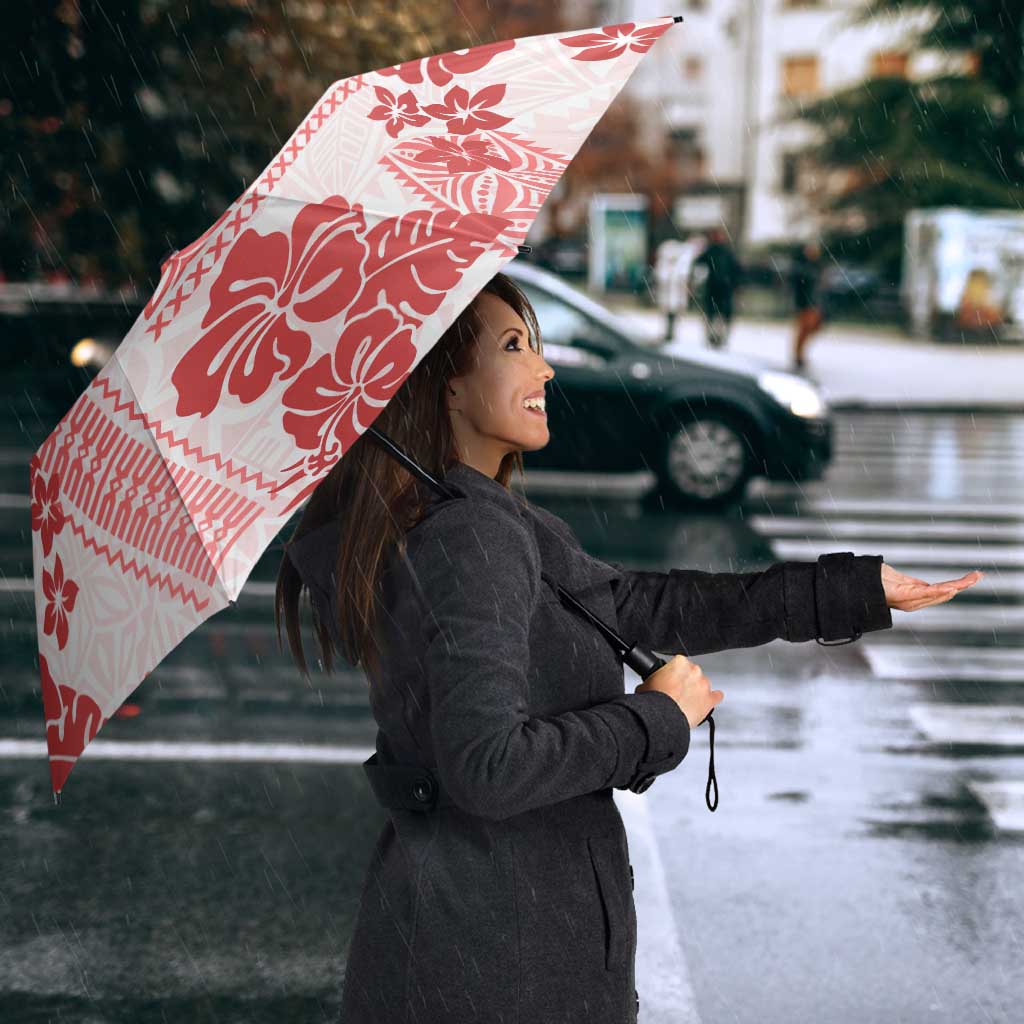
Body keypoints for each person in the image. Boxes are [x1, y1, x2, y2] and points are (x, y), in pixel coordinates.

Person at [276, 272, 981, 1024]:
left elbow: (644, 605)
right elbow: (487, 767)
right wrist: (655, 719)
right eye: (514, 346)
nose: (544, 368)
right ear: (446, 387)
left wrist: (850, 590)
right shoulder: (469, 537)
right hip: (496, 962)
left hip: (481, 943)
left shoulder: (480, 520)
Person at [692, 226, 742, 349]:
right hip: (715, 288)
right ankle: (713, 337)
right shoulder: (712, 251)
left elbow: (736, 270)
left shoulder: (725, 252)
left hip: (723, 288)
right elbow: (698, 264)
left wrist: (735, 284)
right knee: (713, 314)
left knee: (720, 315)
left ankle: (719, 337)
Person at [790, 239, 826, 370]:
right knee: (804, 329)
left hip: (814, 303)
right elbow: (799, 286)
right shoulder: (802, 267)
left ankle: (799, 354)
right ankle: (798, 355)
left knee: (812, 328)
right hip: (805, 303)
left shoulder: (817, 266)